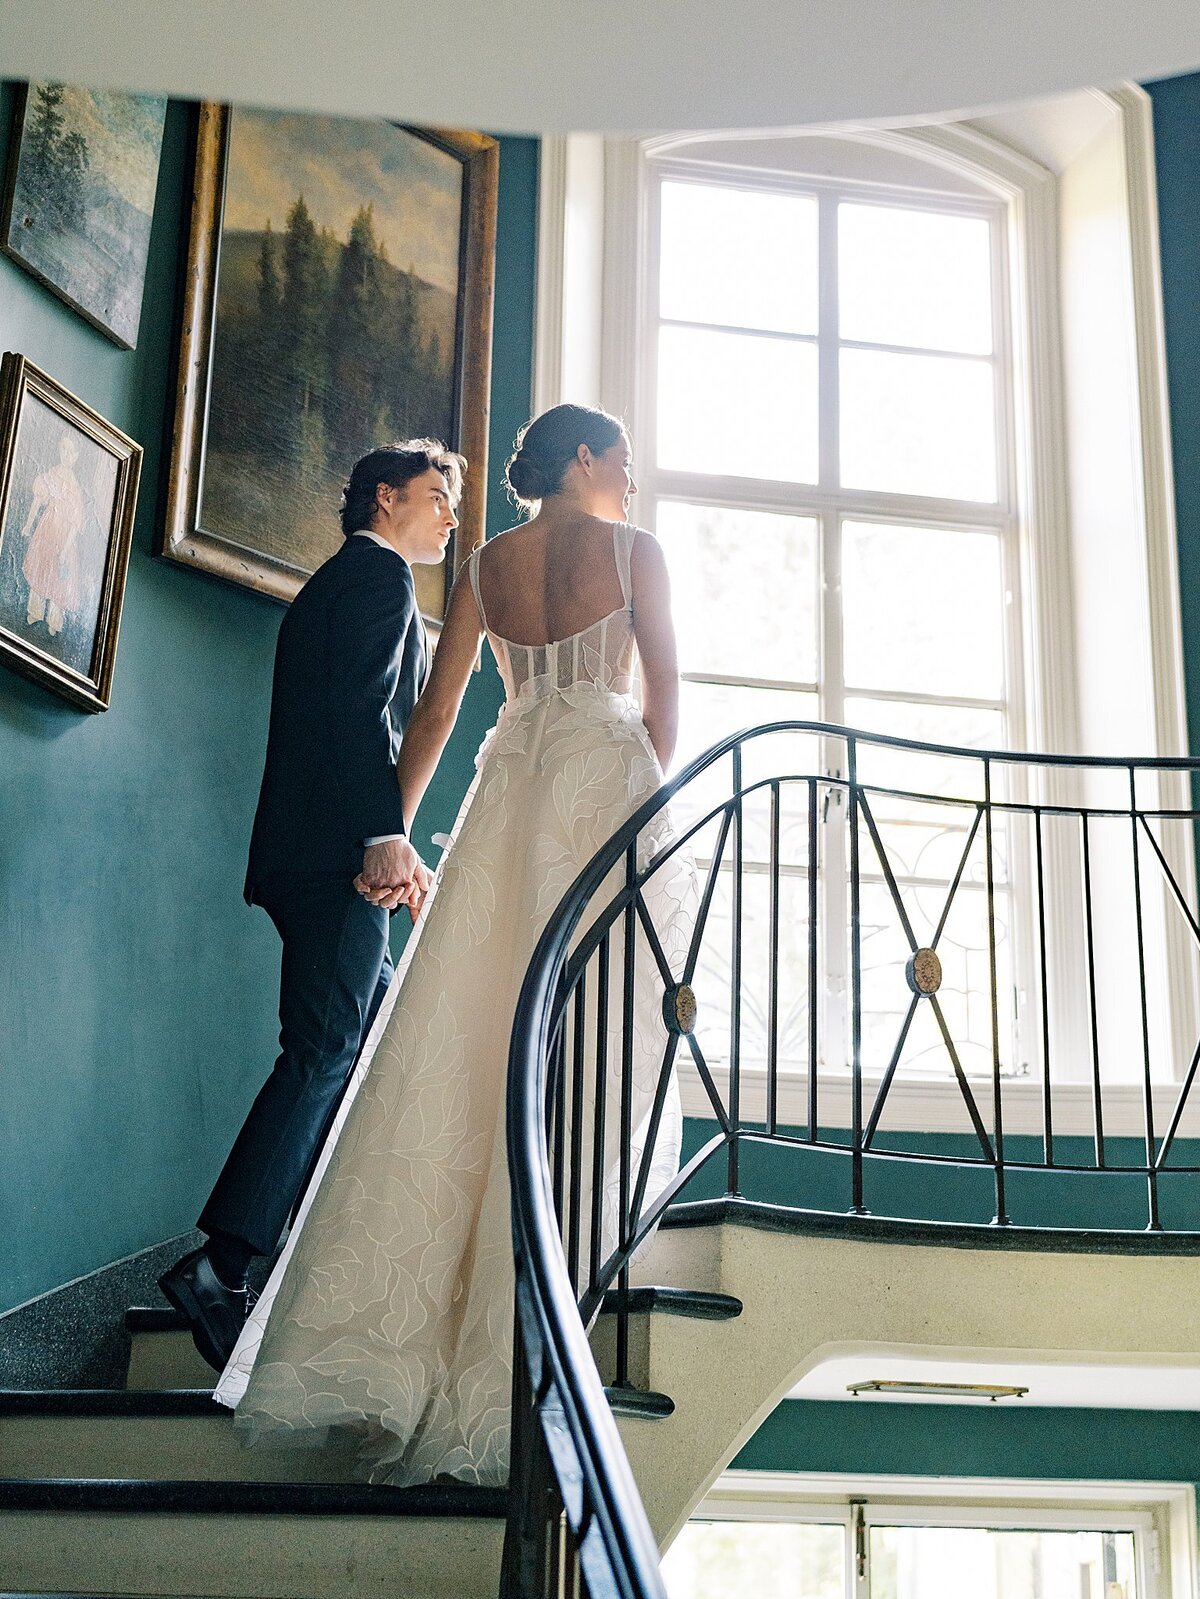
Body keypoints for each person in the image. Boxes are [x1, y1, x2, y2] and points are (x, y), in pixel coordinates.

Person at [213, 404, 693, 1488]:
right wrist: (641, 809)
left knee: (469, 1028)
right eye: (622, 453)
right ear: (584, 459)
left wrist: (395, 829)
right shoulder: (635, 551)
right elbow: (663, 693)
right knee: (595, 1017)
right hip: (601, 784)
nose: (632, 470)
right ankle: (558, 1259)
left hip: (509, 788)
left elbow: (434, 712)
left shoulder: (483, 562)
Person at [159, 439, 463, 1372]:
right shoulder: (375, 582)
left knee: (355, 1047)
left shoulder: (349, 582)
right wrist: (383, 834)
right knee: (328, 1049)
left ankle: (284, 1257)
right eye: (436, 494)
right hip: (334, 859)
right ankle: (223, 1265)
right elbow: (349, 712)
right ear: (385, 496)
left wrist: (390, 838)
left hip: (321, 853)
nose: (451, 514)